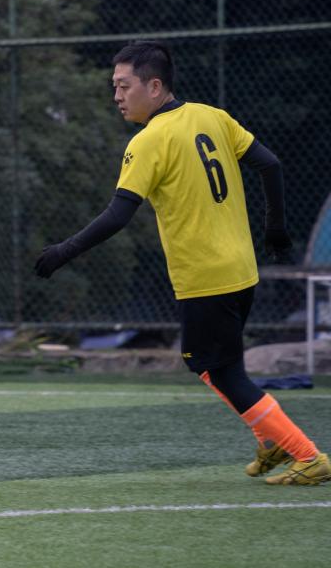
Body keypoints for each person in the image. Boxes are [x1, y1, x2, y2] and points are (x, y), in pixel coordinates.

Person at [35, 40, 329, 486]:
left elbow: (117, 215)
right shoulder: (213, 116)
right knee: (227, 367)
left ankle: (307, 455)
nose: (116, 96)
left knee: (217, 371)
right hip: (242, 269)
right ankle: (270, 440)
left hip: (205, 277)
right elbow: (270, 164)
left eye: (124, 86)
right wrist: (275, 230)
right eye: (114, 86)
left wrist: (62, 252)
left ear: (154, 87)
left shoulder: (148, 140)